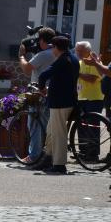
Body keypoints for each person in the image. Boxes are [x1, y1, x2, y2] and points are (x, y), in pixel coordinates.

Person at [34, 36, 79, 174]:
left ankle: (59, 165)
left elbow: (43, 76)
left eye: (52, 46)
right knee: (51, 131)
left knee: (59, 133)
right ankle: (48, 157)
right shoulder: (73, 58)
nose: (51, 49)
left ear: (56, 47)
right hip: (69, 99)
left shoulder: (62, 60)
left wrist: (42, 88)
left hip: (60, 102)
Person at [18, 27, 56, 164]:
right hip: (51, 93)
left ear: (41, 40)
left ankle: (33, 156)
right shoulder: (57, 52)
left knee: (34, 124)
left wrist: (22, 56)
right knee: (46, 126)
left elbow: (27, 69)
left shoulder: (43, 55)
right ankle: (44, 156)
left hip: (38, 93)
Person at [73, 41, 104, 162]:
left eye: (81, 50)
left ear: (88, 51)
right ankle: (83, 152)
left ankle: (92, 154)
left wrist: (78, 74)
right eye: (77, 50)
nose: (78, 53)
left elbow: (92, 79)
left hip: (94, 99)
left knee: (93, 127)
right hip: (81, 98)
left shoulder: (94, 63)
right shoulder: (80, 63)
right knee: (81, 126)